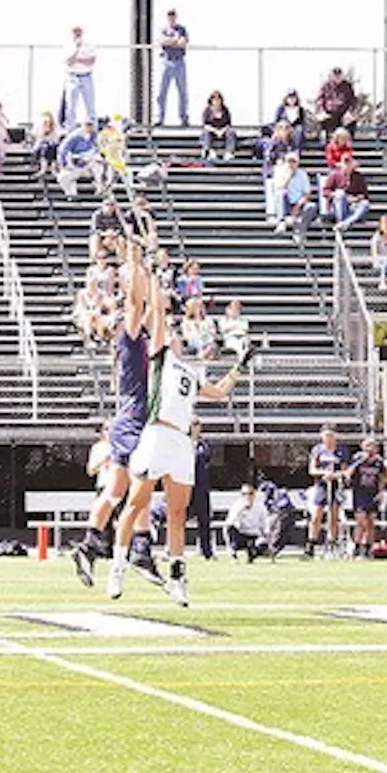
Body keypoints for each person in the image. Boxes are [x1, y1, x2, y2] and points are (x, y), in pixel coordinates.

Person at [107, 268, 248, 605]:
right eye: (170, 333)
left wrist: (240, 365)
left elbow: (218, 392)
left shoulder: (189, 368)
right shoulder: (160, 358)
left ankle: (177, 576)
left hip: (181, 441)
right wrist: (151, 275)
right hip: (156, 433)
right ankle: (117, 567)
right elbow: (155, 310)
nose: (173, 336)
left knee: (177, 512)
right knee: (136, 502)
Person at [71, 238, 161, 590]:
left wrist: (147, 270)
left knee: (122, 492)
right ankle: (132, 548)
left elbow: (153, 306)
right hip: (133, 423)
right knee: (134, 490)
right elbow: (139, 303)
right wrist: (134, 261)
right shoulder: (127, 338)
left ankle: (96, 544)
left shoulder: (132, 341)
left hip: (133, 422)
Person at [304, 425, 347, 559]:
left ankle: (332, 543)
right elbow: (312, 470)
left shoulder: (342, 451)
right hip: (321, 485)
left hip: (336, 485)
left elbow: (345, 470)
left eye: (331, 435)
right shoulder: (317, 450)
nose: (328, 439)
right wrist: (324, 473)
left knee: (334, 516)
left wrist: (336, 475)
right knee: (316, 515)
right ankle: (311, 544)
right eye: (326, 436)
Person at [347, 437, 385, 558]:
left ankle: (368, 548)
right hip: (360, 493)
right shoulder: (358, 458)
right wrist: (360, 461)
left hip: (373, 494)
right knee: (361, 521)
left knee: (370, 522)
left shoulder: (379, 461)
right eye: (368, 445)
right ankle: (357, 546)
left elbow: (383, 477)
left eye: (373, 446)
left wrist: (381, 492)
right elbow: (348, 473)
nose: (371, 448)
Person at [157, 9, 190, 126]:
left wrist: (171, 42)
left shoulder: (182, 29)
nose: (171, 18)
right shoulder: (163, 29)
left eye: (173, 16)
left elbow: (183, 42)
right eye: (169, 16)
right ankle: (160, 118)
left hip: (179, 62)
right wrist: (174, 41)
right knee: (162, 92)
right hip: (166, 61)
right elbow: (162, 41)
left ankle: (183, 117)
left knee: (182, 91)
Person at [189, 417, 215, 560]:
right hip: (186, 485)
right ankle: (173, 549)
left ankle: (207, 551)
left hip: (201, 487)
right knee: (178, 519)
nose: (196, 427)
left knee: (204, 520)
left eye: (198, 424)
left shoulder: (203, 444)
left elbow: (205, 458)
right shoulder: (182, 443)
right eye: (194, 424)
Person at [225, 484, 268, 561]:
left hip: (254, 535)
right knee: (229, 528)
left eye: (250, 493)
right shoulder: (236, 507)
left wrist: (265, 536)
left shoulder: (260, 507)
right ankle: (233, 553)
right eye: (244, 494)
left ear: (254, 495)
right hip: (241, 535)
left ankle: (252, 554)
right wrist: (241, 509)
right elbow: (230, 522)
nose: (247, 496)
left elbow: (265, 524)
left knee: (263, 544)